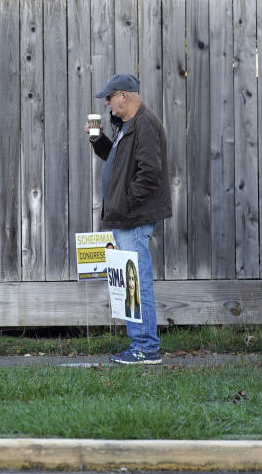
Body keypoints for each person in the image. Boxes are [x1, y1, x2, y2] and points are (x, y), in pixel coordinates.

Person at [87, 73, 171, 365]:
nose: (108, 105)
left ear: (124, 96)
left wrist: (126, 204)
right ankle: (140, 345)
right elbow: (118, 162)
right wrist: (98, 141)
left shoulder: (145, 124)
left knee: (137, 282)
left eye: (110, 99)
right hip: (127, 217)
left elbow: (150, 173)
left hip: (133, 217)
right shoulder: (129, 126)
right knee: (131, 281)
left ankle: (146, 347)